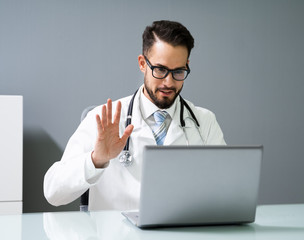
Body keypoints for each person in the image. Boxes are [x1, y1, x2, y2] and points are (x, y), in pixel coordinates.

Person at [44, 20, 226, 211]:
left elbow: (226, 189)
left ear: (187, 66)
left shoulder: (204, 122)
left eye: (178, 71)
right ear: (142, 63)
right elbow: (53, 192)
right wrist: (96, 159)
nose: (168, 82)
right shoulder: (103, 118)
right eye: (161, 70)